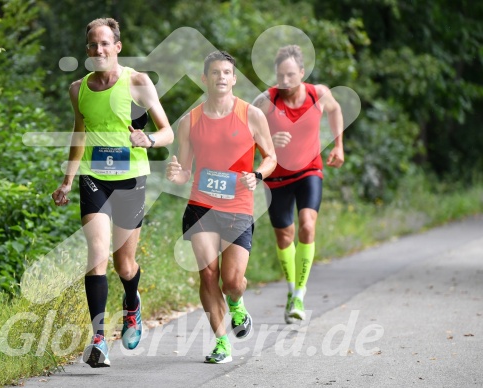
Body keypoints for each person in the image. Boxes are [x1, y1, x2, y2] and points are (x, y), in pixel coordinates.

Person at [51, 17, 173, 368]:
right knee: (97, 254)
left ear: (117, 46)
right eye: (93, 44)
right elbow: (79, 135)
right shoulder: (78, 89)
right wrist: (67, 180)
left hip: (131, 179)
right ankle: (99, 339)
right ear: (87, 50)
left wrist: (147, 139)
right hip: (94, 177)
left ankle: (132, 306)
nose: (99, 49)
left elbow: (167, 132)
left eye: (105, 43)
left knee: (125, 263)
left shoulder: (138, 82)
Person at [166, 51, 276, 364]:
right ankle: (221, 342)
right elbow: (185, 169)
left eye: (227, 72)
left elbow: (271, 158)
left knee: (232, 281)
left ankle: (238, 305)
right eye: (215, 72)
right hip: (201, 206)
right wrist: (177, 174)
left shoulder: (251, 114)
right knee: (208, 274)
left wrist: (257, 175)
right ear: (205, 79)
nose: (221, 77)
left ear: (234, 78)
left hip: (239, 207)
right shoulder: (191, 120)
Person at [253, 45, 344, 324]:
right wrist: (268, 142)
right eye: (281, 75)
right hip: (277, 176)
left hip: (309, 171)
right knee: (285, 235)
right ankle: (291, 290)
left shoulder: (318, 94)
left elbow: (336, 109)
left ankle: (301, 295)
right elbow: (246, 131)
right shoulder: (265, 101)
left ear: (302, 73)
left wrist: (339, 145)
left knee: (307, 224)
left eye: (291, 75)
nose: (286, 81)